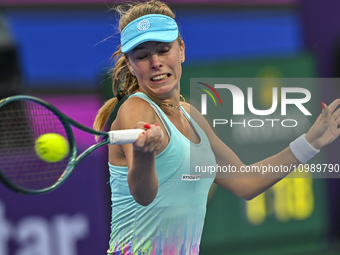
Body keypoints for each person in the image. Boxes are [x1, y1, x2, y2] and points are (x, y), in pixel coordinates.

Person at [93, 1, 340, 254]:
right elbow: (143, 195)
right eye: (142, 55)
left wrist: (311, 142)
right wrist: (144, 155)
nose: (155, 62)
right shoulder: (135, 109)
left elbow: (247, 183)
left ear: (181, 50)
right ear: (131, 65)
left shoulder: (192, 118)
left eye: (163, 49)